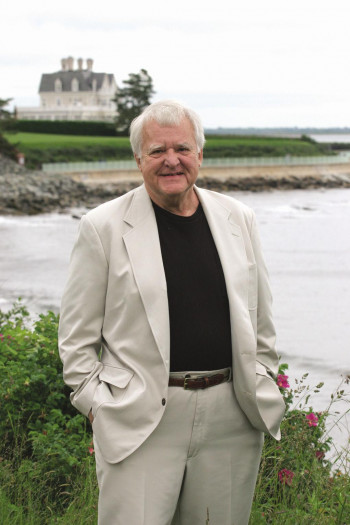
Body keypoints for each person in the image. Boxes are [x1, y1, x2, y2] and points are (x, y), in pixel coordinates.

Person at [58, 100, 285, 525]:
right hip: (140, 418)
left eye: (181, 148)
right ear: (138, 158)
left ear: (199, 153)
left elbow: (261, 319)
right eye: (157, 151)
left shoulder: (240, 218)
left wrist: (262, 376)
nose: (171, 161)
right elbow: (75, 340)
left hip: (231, 415)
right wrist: (99, 407)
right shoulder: (102, 227)